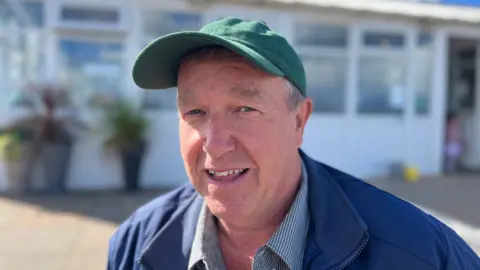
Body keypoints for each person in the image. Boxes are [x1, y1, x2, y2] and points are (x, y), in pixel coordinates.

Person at [107, 17, 480, 270]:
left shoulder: (417, 252)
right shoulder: (138, 242)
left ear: (299, 120)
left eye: (244, 108)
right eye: (194, 112)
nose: (215, 144)